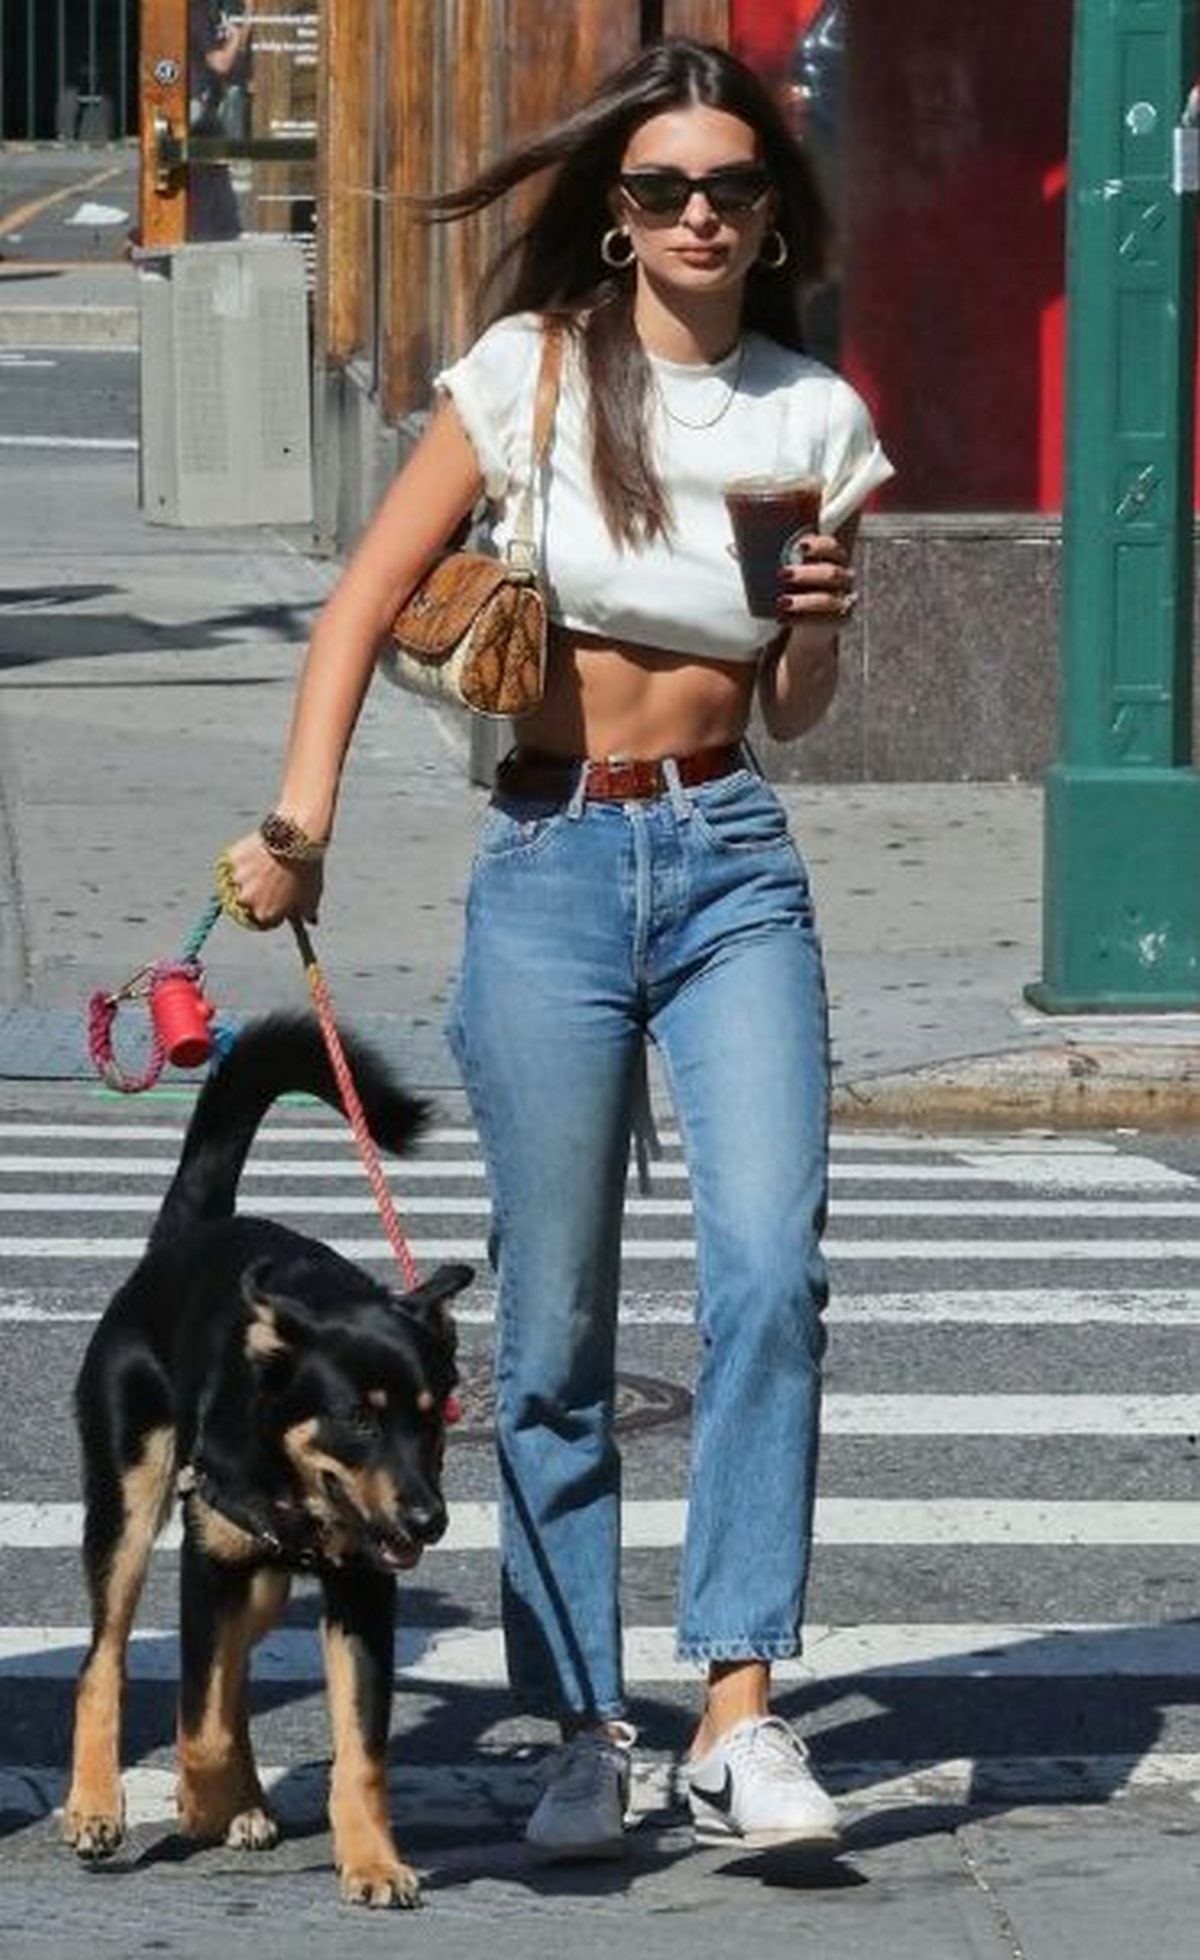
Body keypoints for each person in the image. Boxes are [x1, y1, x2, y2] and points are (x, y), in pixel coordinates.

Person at [224, 36, 893, 1862]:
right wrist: (300, 826)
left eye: (731, 189)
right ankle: (581, 1713)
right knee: (553, 1322)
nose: (697, 213)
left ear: (770, 220)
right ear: (618, 211)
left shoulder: (813, 416)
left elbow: (803, 712)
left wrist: (825, 620)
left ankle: (742, 1712)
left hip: (734, 853)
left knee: (771, 1276)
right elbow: (362, 602)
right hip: (551, 859)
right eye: (665, 186)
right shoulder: (527, 376)